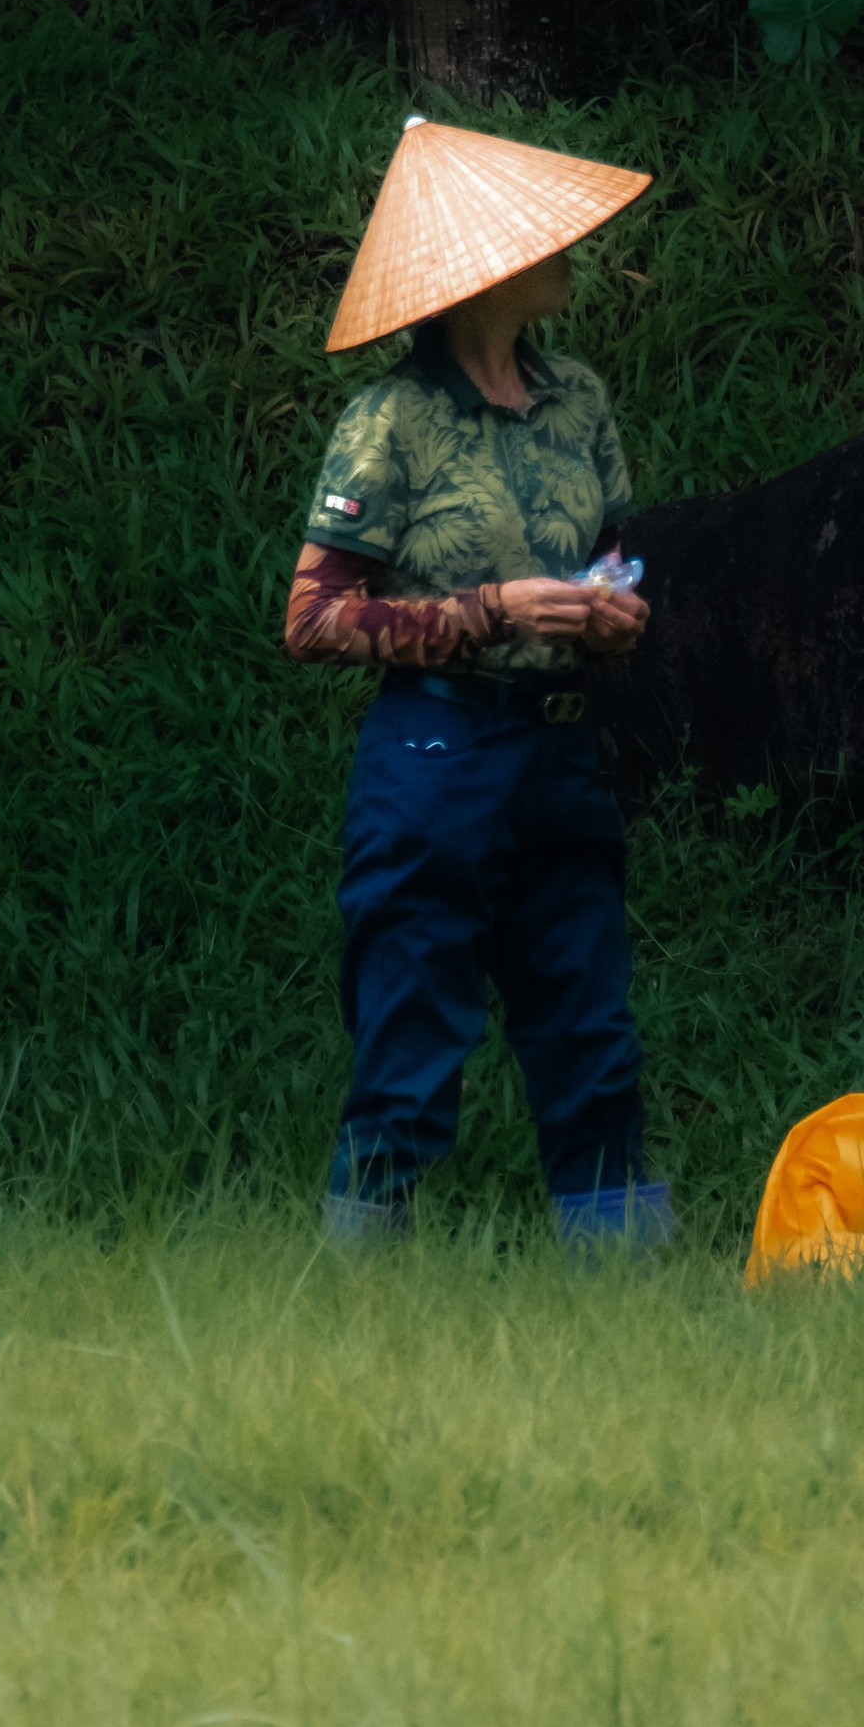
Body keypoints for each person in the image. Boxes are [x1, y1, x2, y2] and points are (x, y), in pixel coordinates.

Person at [286, 114, 671, 1248]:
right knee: (411, 1029)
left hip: (559, 750)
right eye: (542, 240)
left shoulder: (579, 401)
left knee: (590, 1026)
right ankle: (358, 1296)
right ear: (484, 274)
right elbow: (311, 621)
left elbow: (612, 550)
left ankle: (631, 1303)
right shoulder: (389, 424)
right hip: (435, 756)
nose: (568, 252)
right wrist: (485, 612)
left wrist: (611, 612)